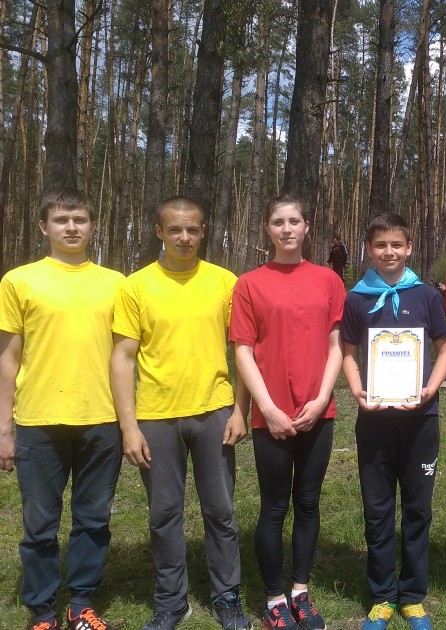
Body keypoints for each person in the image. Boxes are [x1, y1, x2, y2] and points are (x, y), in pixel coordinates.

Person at [110, 196, 252, 630]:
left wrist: (240, 410)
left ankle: (227, 596)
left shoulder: (225, 282)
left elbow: (242, 350)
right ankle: (172, 602)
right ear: (159, 232)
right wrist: (129, 426)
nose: (184, 237)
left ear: (203, 231)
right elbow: (122, 358)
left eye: (192, 229)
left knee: (220, 511)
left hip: (214, 412)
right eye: (175, 229)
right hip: (156, 417)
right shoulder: (135, 286)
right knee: (164, 514)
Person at [0, 188, 124, 630]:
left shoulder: (117, 284)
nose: (71, 227)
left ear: (92, 226)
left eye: (79, 220)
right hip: (39, 419)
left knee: (93, 519)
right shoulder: (19, 281)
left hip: (102, 418)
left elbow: (126, 356)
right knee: (39, 524)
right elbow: (8, 358)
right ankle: (42, 611)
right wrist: (4, 427)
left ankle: (81, 604)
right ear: (43, 227)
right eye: (61, 220)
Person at [230, 194, 345, 630]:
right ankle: (275, 599)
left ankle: (300, 591)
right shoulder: (249, 284)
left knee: (308, 502)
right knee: (274, 507)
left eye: (294, 221)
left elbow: (338, 344)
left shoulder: (328, 280)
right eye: (278, 222)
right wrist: (267, 407)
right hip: (271, 415)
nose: (287, 229)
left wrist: (321, 399)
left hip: (318, 412)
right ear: (268, 229)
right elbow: (243, 351)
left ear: (306, 226)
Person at [342, 212, 446, 630]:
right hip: (375, 420)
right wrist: (357, 390)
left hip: (420, 418)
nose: (389, 252)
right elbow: (348, 353)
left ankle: (413, 596)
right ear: (368, 250)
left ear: (409, 248)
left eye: (396, 245)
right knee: (377, 508)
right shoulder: (357, 298)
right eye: (380, 245)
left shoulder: (426, 296)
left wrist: (431, 388)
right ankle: (383, 595)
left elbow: (445, 348)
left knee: (418, 509)